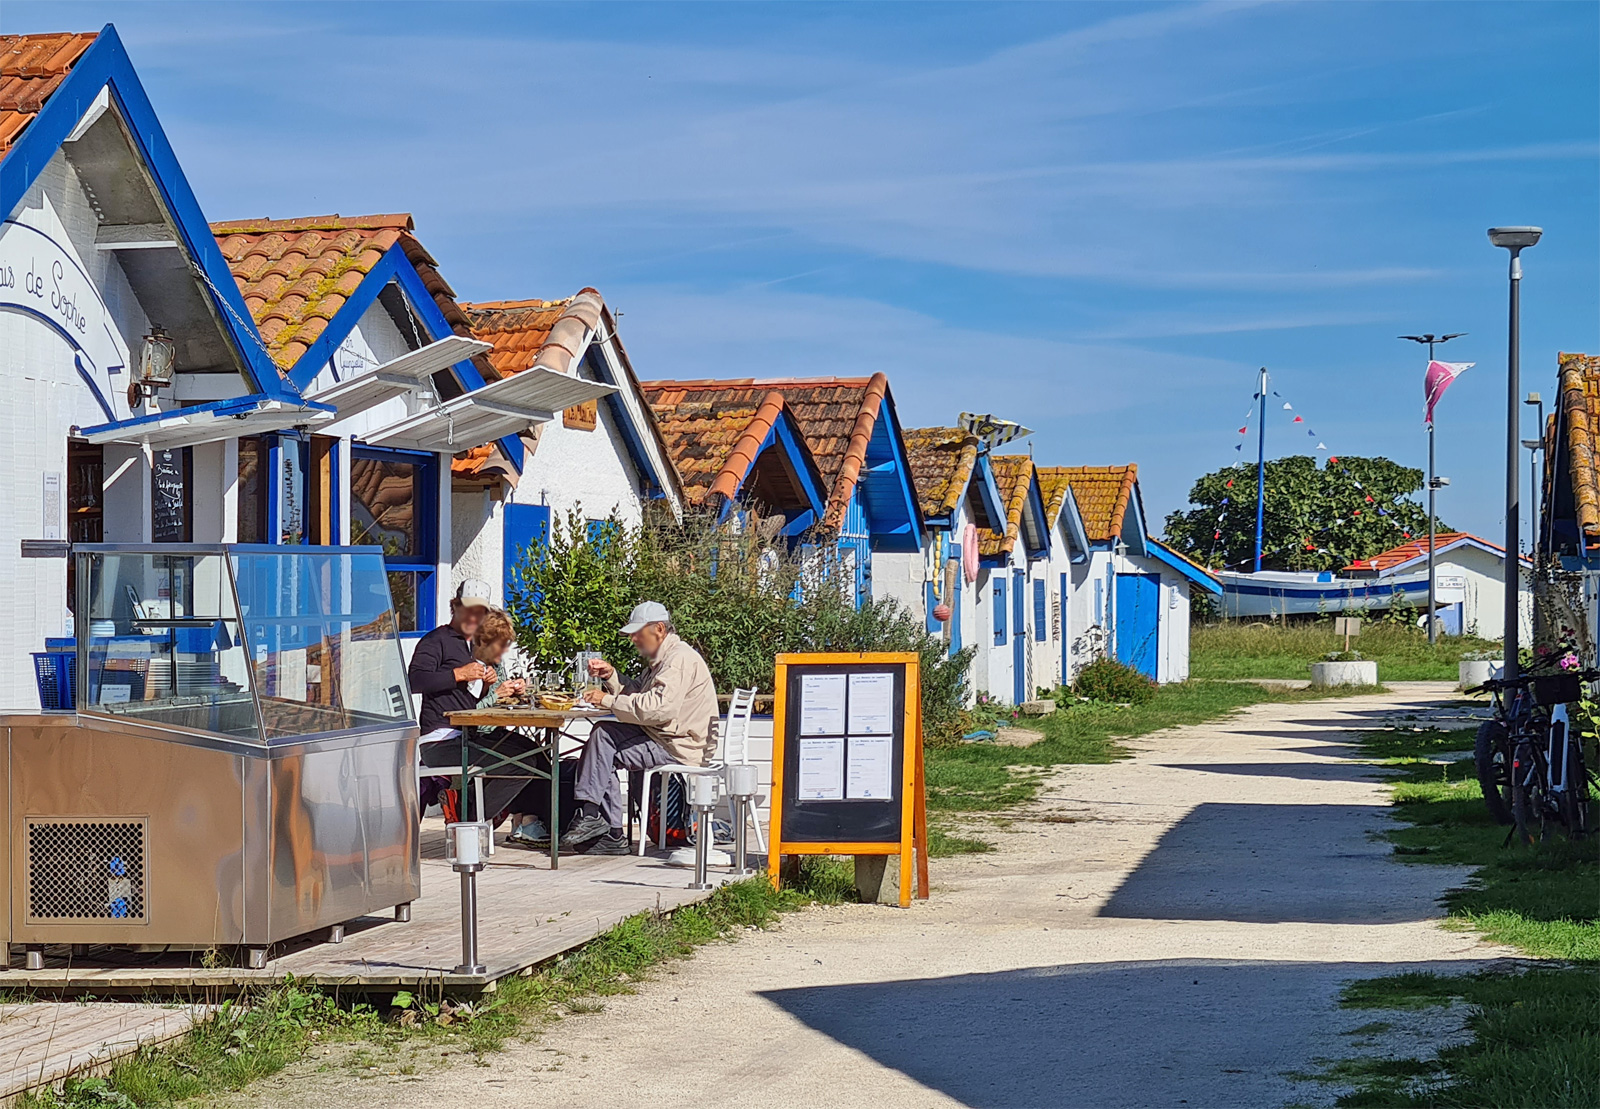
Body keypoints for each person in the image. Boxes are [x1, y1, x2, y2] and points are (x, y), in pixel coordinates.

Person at [561, 601, 718, 855]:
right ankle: (600, 823)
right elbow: (640, 694)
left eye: (638, 633)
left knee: (603, 744)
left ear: (658, 629)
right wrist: (611, 676)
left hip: (679, 746)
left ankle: (602, 825)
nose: (633, 639)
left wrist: (608, 700)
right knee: (602, 739)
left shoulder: (677, 660)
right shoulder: (665, 657)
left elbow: (658, 708)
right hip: (666, 736)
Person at [409, 581, 540, 825]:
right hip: (440, 740)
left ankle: (534, 824)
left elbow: (469, 701)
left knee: (534, 756)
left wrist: (493, 686)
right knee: (520, 765)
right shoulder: (436, 640)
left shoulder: (475, 645)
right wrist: (458, 674)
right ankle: (466, 819)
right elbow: (414, 681)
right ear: (455, 607)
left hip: (469, 735)